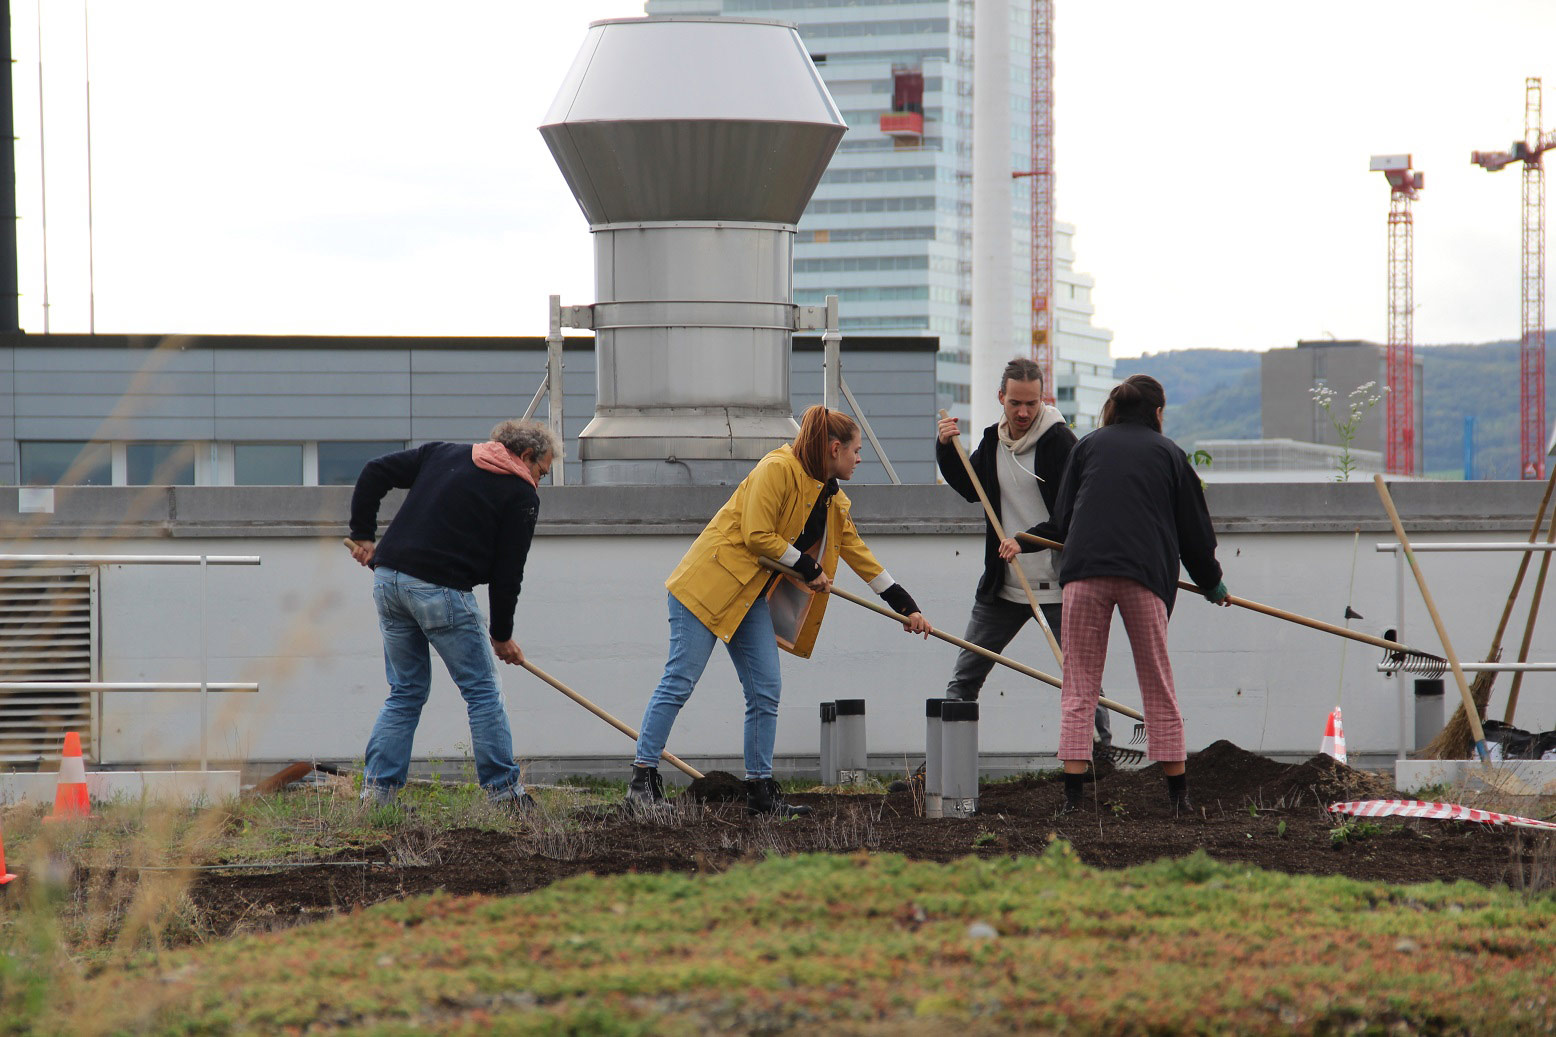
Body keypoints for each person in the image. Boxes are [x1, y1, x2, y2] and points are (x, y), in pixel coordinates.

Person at [628, 405, 932, 817]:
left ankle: (760, 792)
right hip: (705, 586)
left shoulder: (830, 497)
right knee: (679, 682)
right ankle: (642, 782)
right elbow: (757, 535)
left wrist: (906, 608)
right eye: (857, 451)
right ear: (835, 448)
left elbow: (862, 558)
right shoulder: (777, 468)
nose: (860, 459)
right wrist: (809, 568)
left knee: (765, 690)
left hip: (749, 595)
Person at [1026, 374, 1229, 816]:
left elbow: (1062, 517)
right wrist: (1212, 583)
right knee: (1157, 681)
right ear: (1157, 413)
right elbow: (1195, 531)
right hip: (1143, 576)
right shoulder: (1170, 455)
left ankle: (1073, 802)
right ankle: (1179, 799)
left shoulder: (1087, 447)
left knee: (1079, 684)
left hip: (1084, 573)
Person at [344, 419, 560, 810]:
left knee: (405, 692)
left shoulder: (442, 453)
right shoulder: (520, 494)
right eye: (541, 471)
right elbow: (507, 572)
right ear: (525, 456)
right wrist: (501, 635)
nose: (539, 481)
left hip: (389, 581)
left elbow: (375, 470)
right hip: (440, 590)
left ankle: (376, 798)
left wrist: (362, 534)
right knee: (483, 693)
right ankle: (505, 795)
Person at [934, 358, 1113, 755]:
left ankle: (1102, 758)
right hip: (1004, 585)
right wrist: (946, 449)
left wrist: (1025, 540)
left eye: (1031, 403)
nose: (1023, 412)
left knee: (1081, 677)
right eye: (1015, 402)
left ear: (1042, 400)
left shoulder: (1062, 443)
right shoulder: (993, 440)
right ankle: (944, 763)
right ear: (1001, 397)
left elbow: (1072, 518)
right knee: (965, 675)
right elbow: (971, 487)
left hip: (1060, 586)